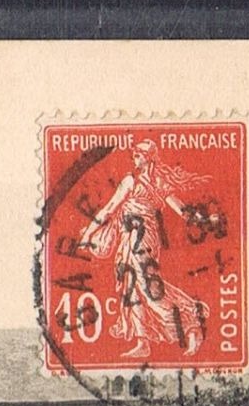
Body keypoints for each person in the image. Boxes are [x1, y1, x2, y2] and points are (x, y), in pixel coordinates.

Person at [77, 139, 216, 359]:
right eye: (134, 154)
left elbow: (180, 208)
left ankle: (191, 321)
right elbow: (110, 208)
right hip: (127, 238)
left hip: (145, 239)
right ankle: (143, 342)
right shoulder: (129, 181)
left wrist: (203, 219)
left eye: (139, 153)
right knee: (130, 287)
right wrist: (87, 235)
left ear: (149, 156)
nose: (135, 157)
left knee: (150, 290)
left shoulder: (158, 182)